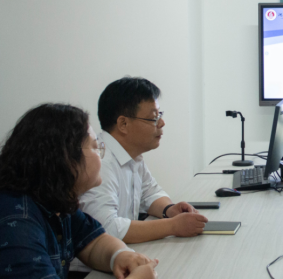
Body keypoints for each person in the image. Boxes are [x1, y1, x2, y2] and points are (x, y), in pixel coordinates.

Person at [0, 104, 159, 279]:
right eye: (95, 147)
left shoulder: (55, 199)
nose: (100, 155)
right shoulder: (16, 215)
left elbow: (94, 243)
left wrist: (120, 256)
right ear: (65, 157)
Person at [79, 77, 208, 244]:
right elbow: (106, 228)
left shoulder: (132, 155)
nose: (162, 123)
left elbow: (150, 192)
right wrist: (172, 226)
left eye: (159, 115)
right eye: (153, 117)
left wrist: (169, 209)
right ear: (123, 124)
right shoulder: (101, 162)